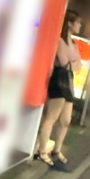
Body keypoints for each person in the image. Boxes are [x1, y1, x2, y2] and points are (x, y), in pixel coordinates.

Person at [35, 9, 83, 167]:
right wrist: (73, 64)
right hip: (59, 79)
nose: (80, 26)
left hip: (68, 80)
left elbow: (79, 64)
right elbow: (64, 63)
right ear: (69, 23)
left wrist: (72, 64)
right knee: (51, 117)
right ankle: (42, 151)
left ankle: (56, 150)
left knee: (66, 120)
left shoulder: (73, 43)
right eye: (78, 23)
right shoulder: (60, 41)